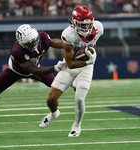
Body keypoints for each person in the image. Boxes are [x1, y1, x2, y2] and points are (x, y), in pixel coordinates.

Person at [39, 5, 104, 137]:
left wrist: (88, 59)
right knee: (51, 99)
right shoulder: (68, 34)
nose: (86, 28)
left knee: (79, 99)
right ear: (74, 23)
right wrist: (88, 60)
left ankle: (76, 126)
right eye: (82, 25)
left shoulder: (98, 28)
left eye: (88, 25)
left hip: (86, 67)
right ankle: (53, 113)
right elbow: (70, 63)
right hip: (71, 65)